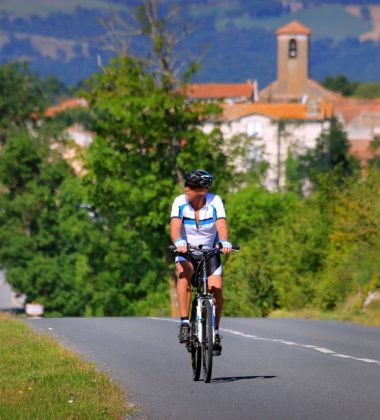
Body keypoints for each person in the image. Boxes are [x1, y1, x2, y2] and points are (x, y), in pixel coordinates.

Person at [170, 169, 232, 356]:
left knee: (217, 289)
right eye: (186, 185)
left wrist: (224, 241)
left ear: (202, 190)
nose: (186, 189)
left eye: (191, 186)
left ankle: (215, 332)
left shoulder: (215, 201)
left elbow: (221, 224)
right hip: (187, 250)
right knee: (184, 273)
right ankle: (184, 323)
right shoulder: (180, 202)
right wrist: (178, 241)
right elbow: (175, 227)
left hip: (210, 251)